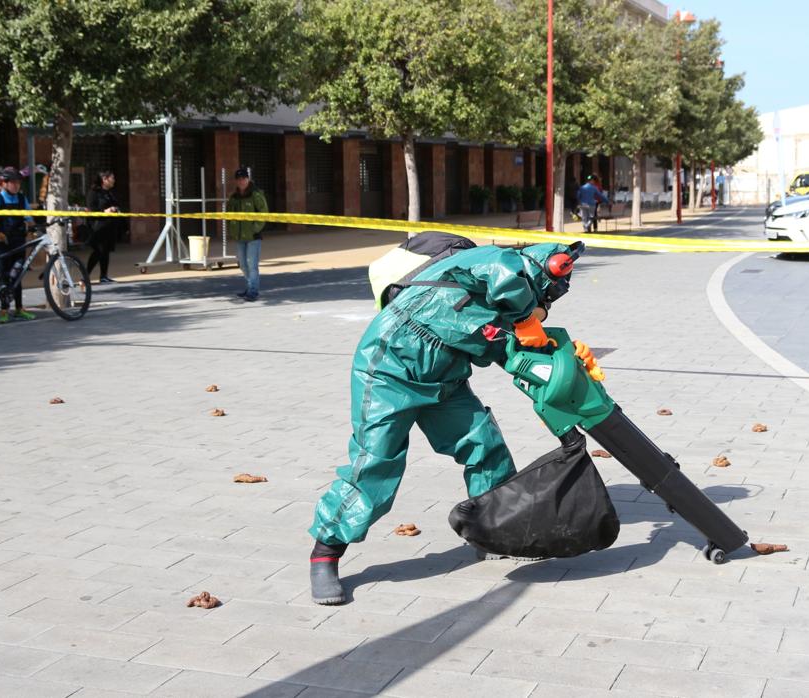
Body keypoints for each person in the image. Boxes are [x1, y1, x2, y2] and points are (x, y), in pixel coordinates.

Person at [307, 240, 591, 605]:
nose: (540, 310)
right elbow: (505, 278)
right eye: (543, 299)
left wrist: (561, 359)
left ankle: (494, 534)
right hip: (388, 373)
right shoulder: (497, 263)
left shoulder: (503, 306)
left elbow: (507, 351)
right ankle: (325, 554)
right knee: (375, 463)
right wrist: (523, 317)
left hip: (445, 383)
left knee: (484, 445)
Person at [0, 167, 35, 323]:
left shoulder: (21, 198)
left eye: (18, 182)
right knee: (4, 276)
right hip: (1, 244)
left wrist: (32, 228)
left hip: (18, 243)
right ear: (3, 183)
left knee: (17, 276)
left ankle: (19, 309)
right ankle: (4, 311)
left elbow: (29, 216)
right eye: (13, 182)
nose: (17, 186)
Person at [226, 167, 268, 301]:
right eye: (239, 179)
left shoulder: (256, 195)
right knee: (243, 265)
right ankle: (250, 287)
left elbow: (264, 213)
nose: (241, 181)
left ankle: (253, 291)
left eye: (244, 178)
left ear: (248, 179)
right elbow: (229, 216)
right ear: (236, 181)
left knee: (252, 264)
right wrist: (232, 229)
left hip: (253, 237)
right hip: (239, 237)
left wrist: (255, 229)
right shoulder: (234, 197)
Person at [85, 170, 121, 283]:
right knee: (98, 251)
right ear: (105, 179)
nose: (113, 180)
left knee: (105, 251)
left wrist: (115, 209)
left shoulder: (109, 193)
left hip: (109, 227)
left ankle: (104, 276)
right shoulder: (94, 192)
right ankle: (85, 276)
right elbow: (91, 209)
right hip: (98, 227)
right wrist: (104, 211)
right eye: (112, 178)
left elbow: (116, 204)